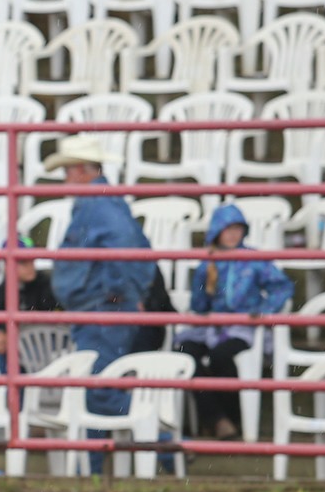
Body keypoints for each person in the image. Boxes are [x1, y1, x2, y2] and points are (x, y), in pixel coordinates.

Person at [44, 134, 153, 420]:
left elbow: (123, 246)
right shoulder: (103, 200)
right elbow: (131, 245)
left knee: (99, 387)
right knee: (99, 385)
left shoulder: (97, 202)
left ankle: (158, 439)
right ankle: (149, 441)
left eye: (67, 170)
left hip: (101, 307)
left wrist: (117, 291)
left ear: (79, 169)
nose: (66, 178)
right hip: (102, 305)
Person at [174, 202, 293, 441]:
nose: (232, 234)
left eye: (237, 229)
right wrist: (204, 282)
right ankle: (217, 419)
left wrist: (263, 310)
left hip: (242, 328)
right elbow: (199, 307)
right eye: (227, 229)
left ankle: (230, 418)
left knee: (221, 357)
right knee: (185, 353)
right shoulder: (207, 262)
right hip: (210, 327)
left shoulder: (253, 259)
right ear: (216, 231)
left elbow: (282, 286)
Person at [0, 234, 58, 360]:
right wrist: (4, 336)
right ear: (7, 265)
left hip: (50, 341)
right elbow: (1, 321)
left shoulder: (47, 283)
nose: (30, 266)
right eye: (23, 262)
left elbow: (55, 316)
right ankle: (11, 379)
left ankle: (19, 379)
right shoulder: (1, 291)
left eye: (31, 260)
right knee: (2, 345)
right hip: (22, 342)